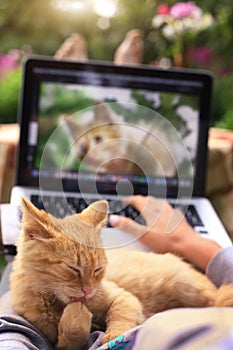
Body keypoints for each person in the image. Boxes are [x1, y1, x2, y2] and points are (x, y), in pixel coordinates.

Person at [0, 195, 233, 349]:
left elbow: (123, 300)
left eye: (97, 271)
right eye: (73, 271)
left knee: (180, 280)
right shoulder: (27, 293)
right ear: (32, 235)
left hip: (167, 297)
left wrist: (118, 331)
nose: (88, 287)